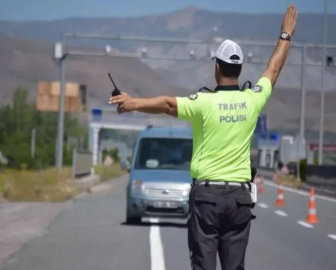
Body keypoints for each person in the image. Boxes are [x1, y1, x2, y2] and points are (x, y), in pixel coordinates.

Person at [109, 4, 298, 270]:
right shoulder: (252, 100)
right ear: (240, 70)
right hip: (239, 199)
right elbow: (273, 69)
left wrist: (132, 102)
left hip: (206, 198)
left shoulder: (203, 104)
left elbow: (166, 104)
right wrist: (285, 35)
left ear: (217, 68)